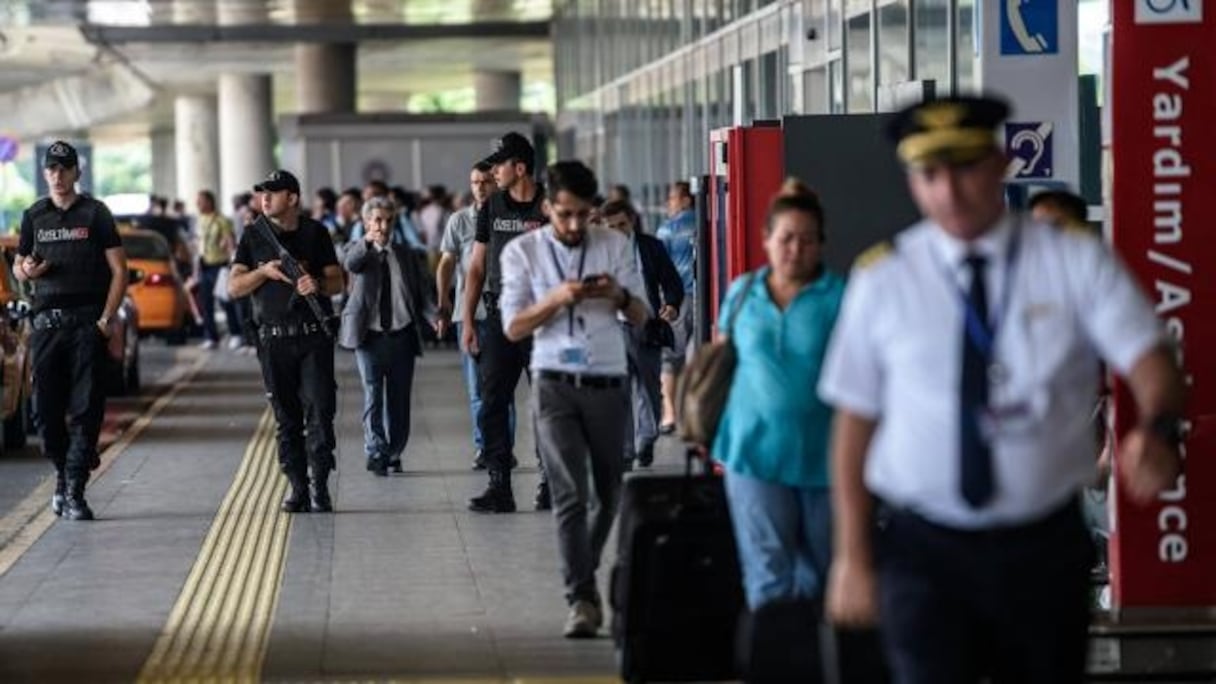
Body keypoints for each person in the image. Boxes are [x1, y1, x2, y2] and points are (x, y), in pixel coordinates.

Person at [817, 96, 1185, 683]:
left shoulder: (1070, 262)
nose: (950, 191)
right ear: (912, 180)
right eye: (930, 174)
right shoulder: (883, 279)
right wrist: (852, 555)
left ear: (999, 163)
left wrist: (1158, 428)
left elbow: (1150, 358)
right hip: (922, 548)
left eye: (964, 167)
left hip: (1041, 547)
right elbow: (852, 425)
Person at [499, 160, 649, 637]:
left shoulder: (616, 246)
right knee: (569, 495)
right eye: (564, 214)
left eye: (583, 215)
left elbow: (643, 316)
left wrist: (620, 297)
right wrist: (557, 299)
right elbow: (514, 325)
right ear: (547, 208)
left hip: (607, 379)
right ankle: (581, 597)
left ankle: (583, 568)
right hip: (553, 382)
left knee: (608, 493)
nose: (573, 225)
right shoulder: (522, 253)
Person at [711, 179, 844, 610]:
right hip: (751, 454)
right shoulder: (742, 292)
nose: (795, 249)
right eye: (786, 238)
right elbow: (721, 360)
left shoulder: (843, 297)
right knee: (767, 577)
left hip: (824, 459)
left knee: (821, 577)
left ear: (821, 244)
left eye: (806, 240)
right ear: (766, 240)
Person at [14, 141, 128, 521]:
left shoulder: (96, 214)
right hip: (46, 327)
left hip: (85, 325)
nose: (58, 176)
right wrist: (27, 271)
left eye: (65, 169)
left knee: (86, 410)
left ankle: (75, 490)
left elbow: (119, 271)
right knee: (44, 415)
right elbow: (18, 267)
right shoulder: (34, 215)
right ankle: (65, 473)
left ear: (77, 172)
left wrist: (106, 318)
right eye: (52, 169)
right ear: (44, 173)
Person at [229, 169, 345, 513]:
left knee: (321, 411)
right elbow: (234, 288)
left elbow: (337, 280)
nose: (265, 198)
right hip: (274, 341)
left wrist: (318, 286)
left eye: (273, 192)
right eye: (262, 192)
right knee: (287, 418)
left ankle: (320, 483)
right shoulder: (253, 236)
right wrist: (262, 273)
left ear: (292, 198)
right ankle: (297, 485)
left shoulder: (316, 232)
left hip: (313, 339)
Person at [461, 132, 549, 513]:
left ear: (520, 167)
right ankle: (500, 485)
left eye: (499, 164)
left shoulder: (550, 205)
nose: (493, 171)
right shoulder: (492, 206)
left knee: (548, 402)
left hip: (545, 318)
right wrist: (467, 319)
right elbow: (477, 267)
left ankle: (551, 481)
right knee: (492, 400)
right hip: (500, 316)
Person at [340, 196, 431, 477]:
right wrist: (367, 241)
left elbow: (422, 294)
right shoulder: (357, 250)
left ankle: (394, 452)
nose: (383, 225)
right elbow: (351, 264)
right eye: (377, 219)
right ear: (366, 222)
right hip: (369, 336)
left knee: (399, 399)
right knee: (373, 395)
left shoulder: (406, 254)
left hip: (402, 335)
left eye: (388, 220)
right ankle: (376, 451)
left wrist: (436, 317)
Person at [435, 161, 517, 470]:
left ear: (497, 184)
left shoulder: (508, 219)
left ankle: (504, 447)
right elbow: (446, 263)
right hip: (469, 314)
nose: (480, 187)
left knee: (502, 388)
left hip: (504, 313)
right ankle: (485, 447)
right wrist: (442, 301)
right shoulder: (459, 221)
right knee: (476, 389)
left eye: (485, 181)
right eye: (474, 182)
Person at [598, 199, 683, 468]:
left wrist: (670, 304)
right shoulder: (600, 251)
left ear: (632, 220)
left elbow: (671, 280)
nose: (618, 231)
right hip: (612, 329)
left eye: (622, 224)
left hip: (645, 326)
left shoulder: (650, 246)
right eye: (611, 227)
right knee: (619, 391)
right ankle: (625, 451)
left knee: (648, 388)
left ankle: (646, 438)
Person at [655, 180, 697, 433]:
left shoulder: (668, 229)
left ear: (685, 200)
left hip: (678, 299)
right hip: (704, 297)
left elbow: (661, 267)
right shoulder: (706, 222)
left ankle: (670, 414)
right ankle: (692, 411)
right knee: (696, 355)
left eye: (671, 198)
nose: (667, 204)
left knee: (670, 357)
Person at [194, 190, 238, 350]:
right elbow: (198, 242)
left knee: (226, 301)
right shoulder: (200, 220)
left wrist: (232, 262)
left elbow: (230, 241)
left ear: (209, 202)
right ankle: (211, 337)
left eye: (200, 201)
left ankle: (235, 333)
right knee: (206, 303)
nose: (197, 204)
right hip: (203, 265)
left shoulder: (222, 220)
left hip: (219, 266)